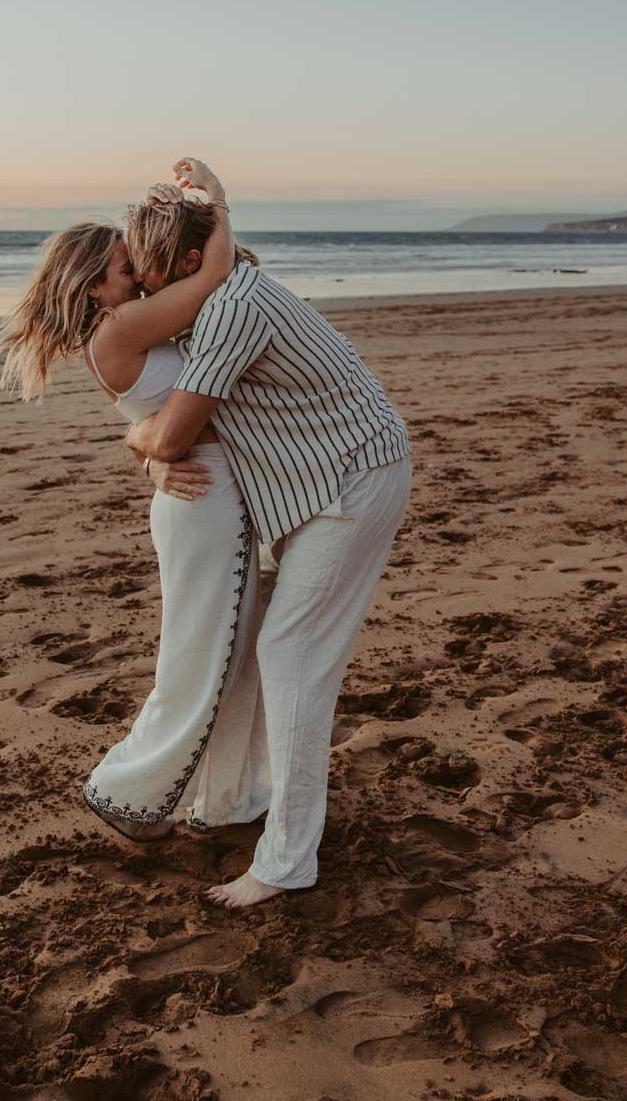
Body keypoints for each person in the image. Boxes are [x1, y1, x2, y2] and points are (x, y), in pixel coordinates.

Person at [124, 196, 412, 907]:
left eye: (147, 269)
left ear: (192, 262)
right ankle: (241, 796)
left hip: (350, 481)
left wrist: (142, 443)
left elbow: (170, 435)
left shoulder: (232, 310)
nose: (140, 286)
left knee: (291, 657)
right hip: (307, 489)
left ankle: (286, 860)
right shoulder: (215, 297)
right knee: (259, 645)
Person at [0, 159, 268, 842]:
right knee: (203, 657)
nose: (136, 274)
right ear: (92, 287)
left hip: (201, 491)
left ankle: (226, 796)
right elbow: (213, 278)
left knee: (222, 652)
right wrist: (218, 202)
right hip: (203, 496)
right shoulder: (120, 328)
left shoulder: (126, 327)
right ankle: (126, 792)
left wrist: (144, 447)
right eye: (123, 267)